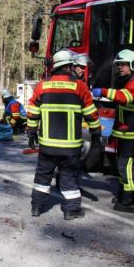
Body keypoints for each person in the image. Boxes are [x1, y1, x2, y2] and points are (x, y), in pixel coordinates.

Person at [26, 49, 101, 220]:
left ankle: (36, 207)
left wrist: (31, 133)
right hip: (70, 147)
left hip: (47, 145)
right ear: (68, 66)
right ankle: (70, 210)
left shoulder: (42, 85)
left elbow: (32, 112)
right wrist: (96, 134)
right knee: (69, 178)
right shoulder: (79, 86)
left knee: (42, 177)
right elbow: (91, 113)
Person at [92, 49, 134, 213]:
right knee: (125, 165)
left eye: (123, 65)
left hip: (133, 133)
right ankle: (126, 194)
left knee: (127, 165)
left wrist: (102, 91)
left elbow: (125, 97)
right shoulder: (129, 80)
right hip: (127, 132)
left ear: (133, 64)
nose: (120, 68)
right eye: (118, 65)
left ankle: (130, 200)